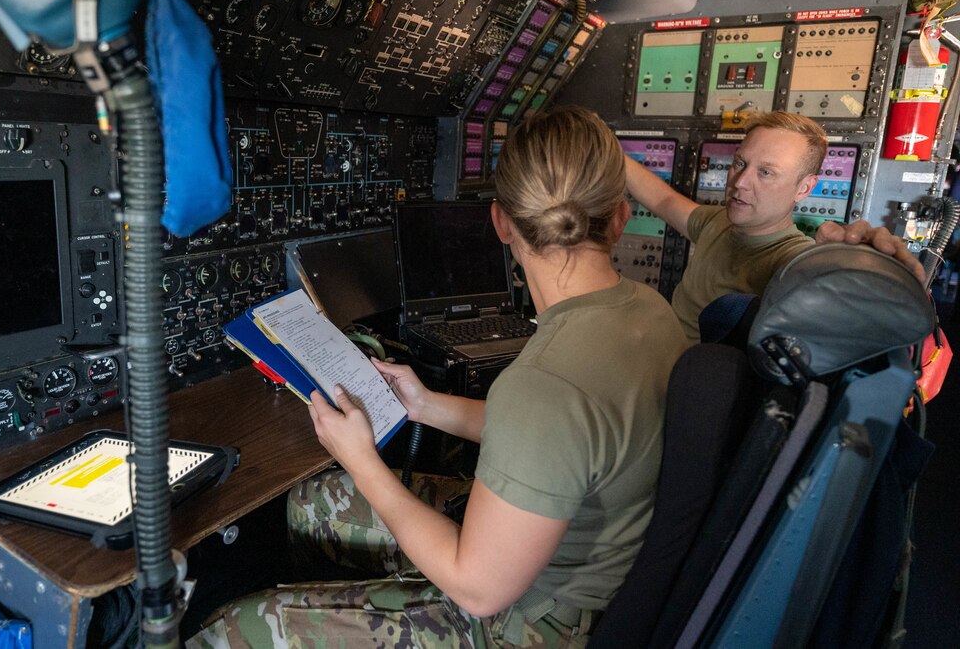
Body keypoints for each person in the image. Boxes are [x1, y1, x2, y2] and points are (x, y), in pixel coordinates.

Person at [188, 106, 691, 648]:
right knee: (310, 505)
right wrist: (425, 405)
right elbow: (571, 444)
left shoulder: (546, 385)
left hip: (531, 623)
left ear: (500, 222)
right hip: (591, 567)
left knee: (228, 631)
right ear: (619, 217)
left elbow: (477, 590)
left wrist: (360, 459)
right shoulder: (651, 310)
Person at [624, 110, 925, 340]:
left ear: (804, 188)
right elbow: (663, 201)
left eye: (766, 172)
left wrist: (870, 270)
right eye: (740, 163)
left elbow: (849, 307)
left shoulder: (794, 262)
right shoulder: (717, 222)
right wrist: (606, 147)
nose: (740, 183)